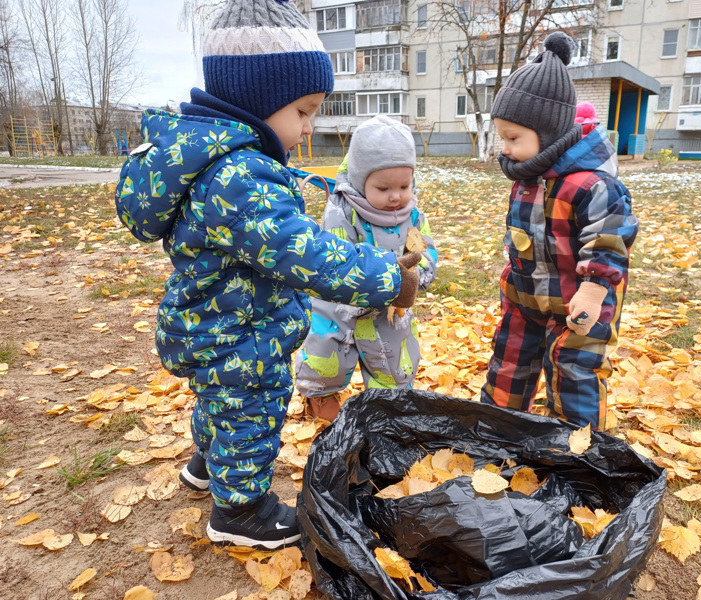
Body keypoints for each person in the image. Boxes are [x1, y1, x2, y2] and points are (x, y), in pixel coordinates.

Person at [114, 0, 421, 550]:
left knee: (221, 403)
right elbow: (304, 253)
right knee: (251, 407)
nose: (308, 127)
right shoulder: (238, 176)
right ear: (258, 100)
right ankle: (241, 510)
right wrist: (385, 277)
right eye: (303, 111)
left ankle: (207, 467)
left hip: (216, 320)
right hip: (241, 331)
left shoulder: (218, 162)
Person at [481, 32, 639, 430]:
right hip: (525, 298)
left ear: (548, 132)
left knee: (574, 376)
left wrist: (592, 289)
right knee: (508, 367)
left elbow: (610, 238)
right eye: (502, 138)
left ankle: (578, 449)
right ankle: (496, 430)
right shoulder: (529, 175)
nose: (505, 149)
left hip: (579, 307)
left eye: (513, 138)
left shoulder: (591, 184)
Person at [295, 116, 437, 421]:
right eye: (383, 187)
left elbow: (424, 251)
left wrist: (418, 274)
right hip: (339, 307)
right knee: (325, 356)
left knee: (395, 363)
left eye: (404, 185)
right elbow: (334, 258)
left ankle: (387, 409)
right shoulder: (342, 212)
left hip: (391, 309)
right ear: (360, 181)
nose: (396, 195)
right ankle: (321, 401)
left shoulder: (412, 216)